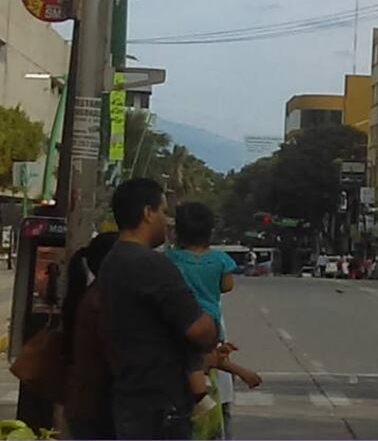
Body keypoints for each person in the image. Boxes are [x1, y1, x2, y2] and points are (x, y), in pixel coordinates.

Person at [98, 178, 219, 440]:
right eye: (163, 212)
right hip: (160, 404)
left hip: (130, 397)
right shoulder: (151, 265)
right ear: (147, 212)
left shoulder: (112, 261)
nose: (167, 221)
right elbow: (199, 330)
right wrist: (212, 324)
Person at [167, 202, 262, 436]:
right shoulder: (220, 259)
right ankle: (203, 399)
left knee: (192, 360)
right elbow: (227, 285)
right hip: (210, 324)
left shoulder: (170, 258)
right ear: (210, 231)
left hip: (181, 321)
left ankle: (200, 397)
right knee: (202, 358)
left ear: (178, 231)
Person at [63, 232, 120, 440]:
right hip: (98, 408)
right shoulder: (102, 302)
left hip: (87, 406)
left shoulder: (94, 295)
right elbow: (115, 354)